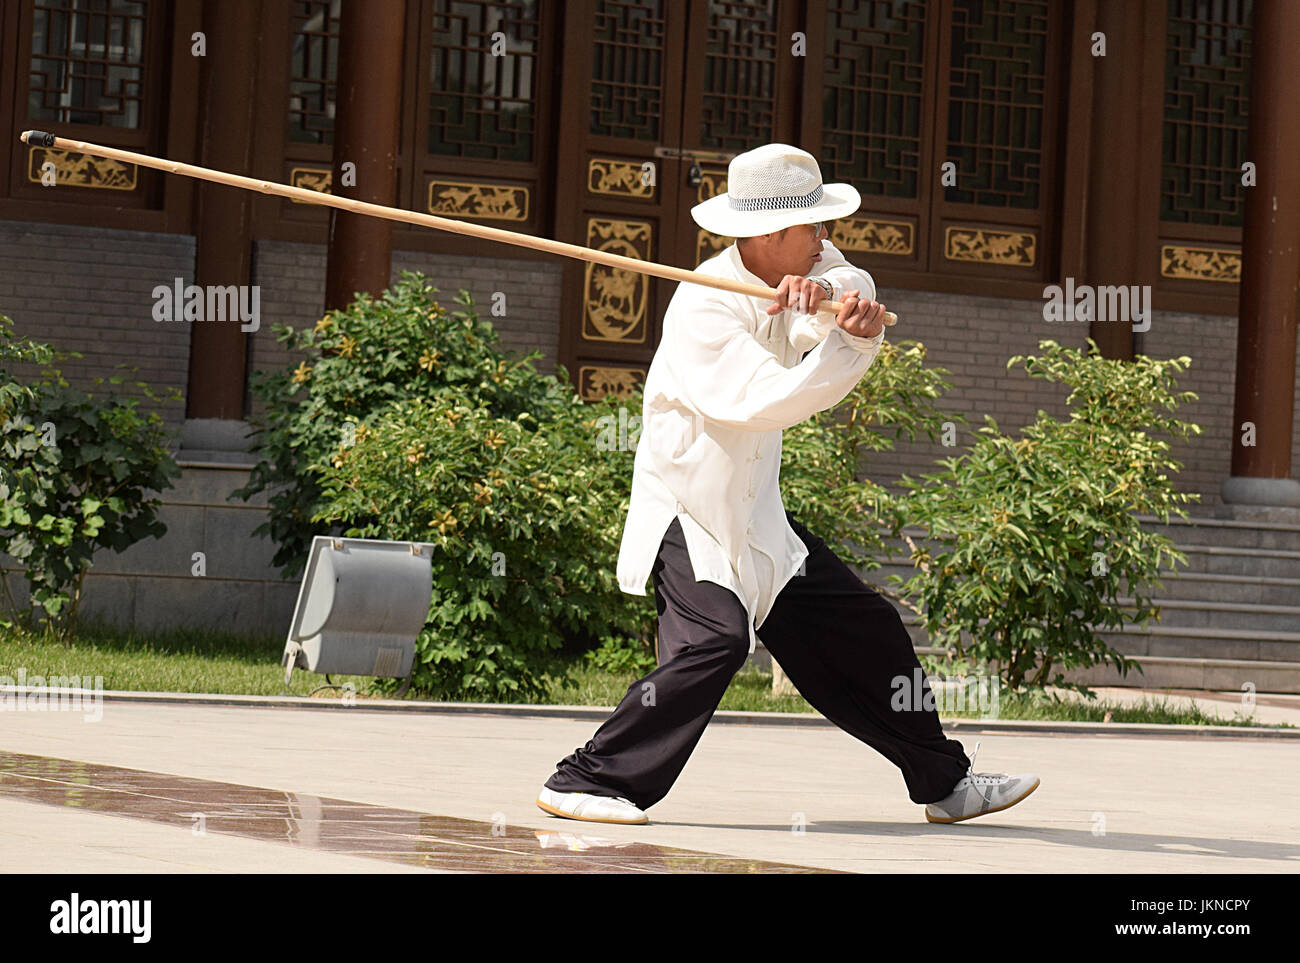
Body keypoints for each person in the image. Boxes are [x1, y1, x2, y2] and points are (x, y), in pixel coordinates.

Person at [536, 143, 1039, 826]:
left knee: (867, 630)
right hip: (690, 510)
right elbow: (767, 399)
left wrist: (833, 300)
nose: (824, 239)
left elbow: (849, 280)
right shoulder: (704, 309)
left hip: (758, 517)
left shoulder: (806, 264)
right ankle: (586, 779)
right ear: (771, 234)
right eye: (813, 228)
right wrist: (847, 342)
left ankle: (945, 782)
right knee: (715, 638)